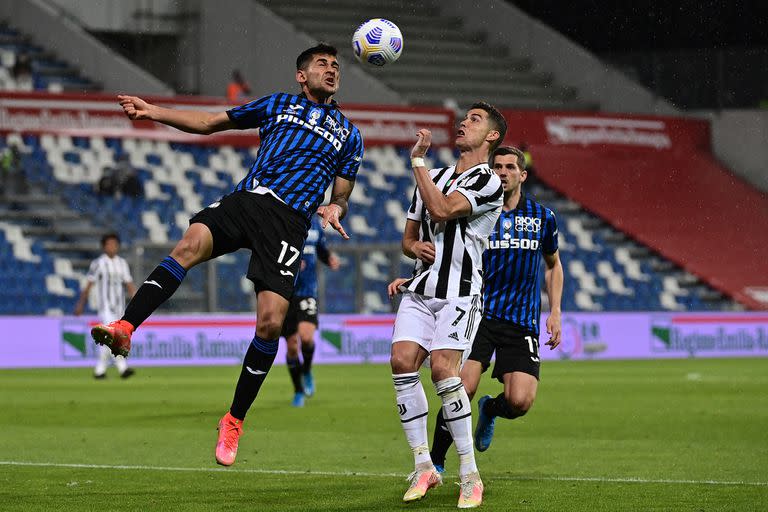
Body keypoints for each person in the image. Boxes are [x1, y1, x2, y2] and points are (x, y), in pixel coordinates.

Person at [90, 43, 363, 467]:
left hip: (290, 223)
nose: (331, 70)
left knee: (271, 324)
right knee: (187, 245)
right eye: (321, 64)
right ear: (301, 74)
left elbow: (342, 192)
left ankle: (233, 419)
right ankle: (126, 326)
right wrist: (154, 112)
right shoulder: (277, 104)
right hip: (248, 200)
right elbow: (210, 122)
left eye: (335, 65)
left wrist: (335, 206)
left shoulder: (350, 134)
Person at [387, 102, 506, 508]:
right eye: (464, 118)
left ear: (491, 136)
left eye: (474, 120)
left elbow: (440, 209)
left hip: (461, 291)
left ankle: (470, 475)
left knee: (442, 370)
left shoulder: (490, 182)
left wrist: (417, 159)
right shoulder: (434, 176)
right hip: (422, 289)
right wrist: (412, 247)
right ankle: (424, 467)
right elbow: (409, 238)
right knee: (402, 362)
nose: (463, 123)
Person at [427, 146, 563, 473]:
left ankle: (490, 410)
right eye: (497, 166)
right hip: (480, 316)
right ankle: (436, 461)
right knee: (461, 388)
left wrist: (555, 310)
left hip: (522, 323)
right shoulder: (479, 211)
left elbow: (553, 265)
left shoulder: (543, 218)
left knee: (520, 402)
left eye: (509, 167)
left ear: (522, 174)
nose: (502, 172)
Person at [281, 215, 340, 407]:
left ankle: (306, 370)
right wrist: (291, 263)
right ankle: (298, 391)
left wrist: (328, 257)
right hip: (284, 293)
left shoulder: (315, 224)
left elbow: (319, 249)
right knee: (291, 346)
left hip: (307, 292)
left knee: (306, 338)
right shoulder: (283, 221)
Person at [75, 233, 137, 379]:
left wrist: (137, 303)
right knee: (113, 335)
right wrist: (81, 304)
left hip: (119, 307)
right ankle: (122, 369)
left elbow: (129, 284)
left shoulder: (122, 263)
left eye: (115, 244)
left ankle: (99, 371)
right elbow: (89, 284)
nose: (112, 247)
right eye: (109, 244)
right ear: (103, 247)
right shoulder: (98, 263)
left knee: (113, 338)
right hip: (105, 307)